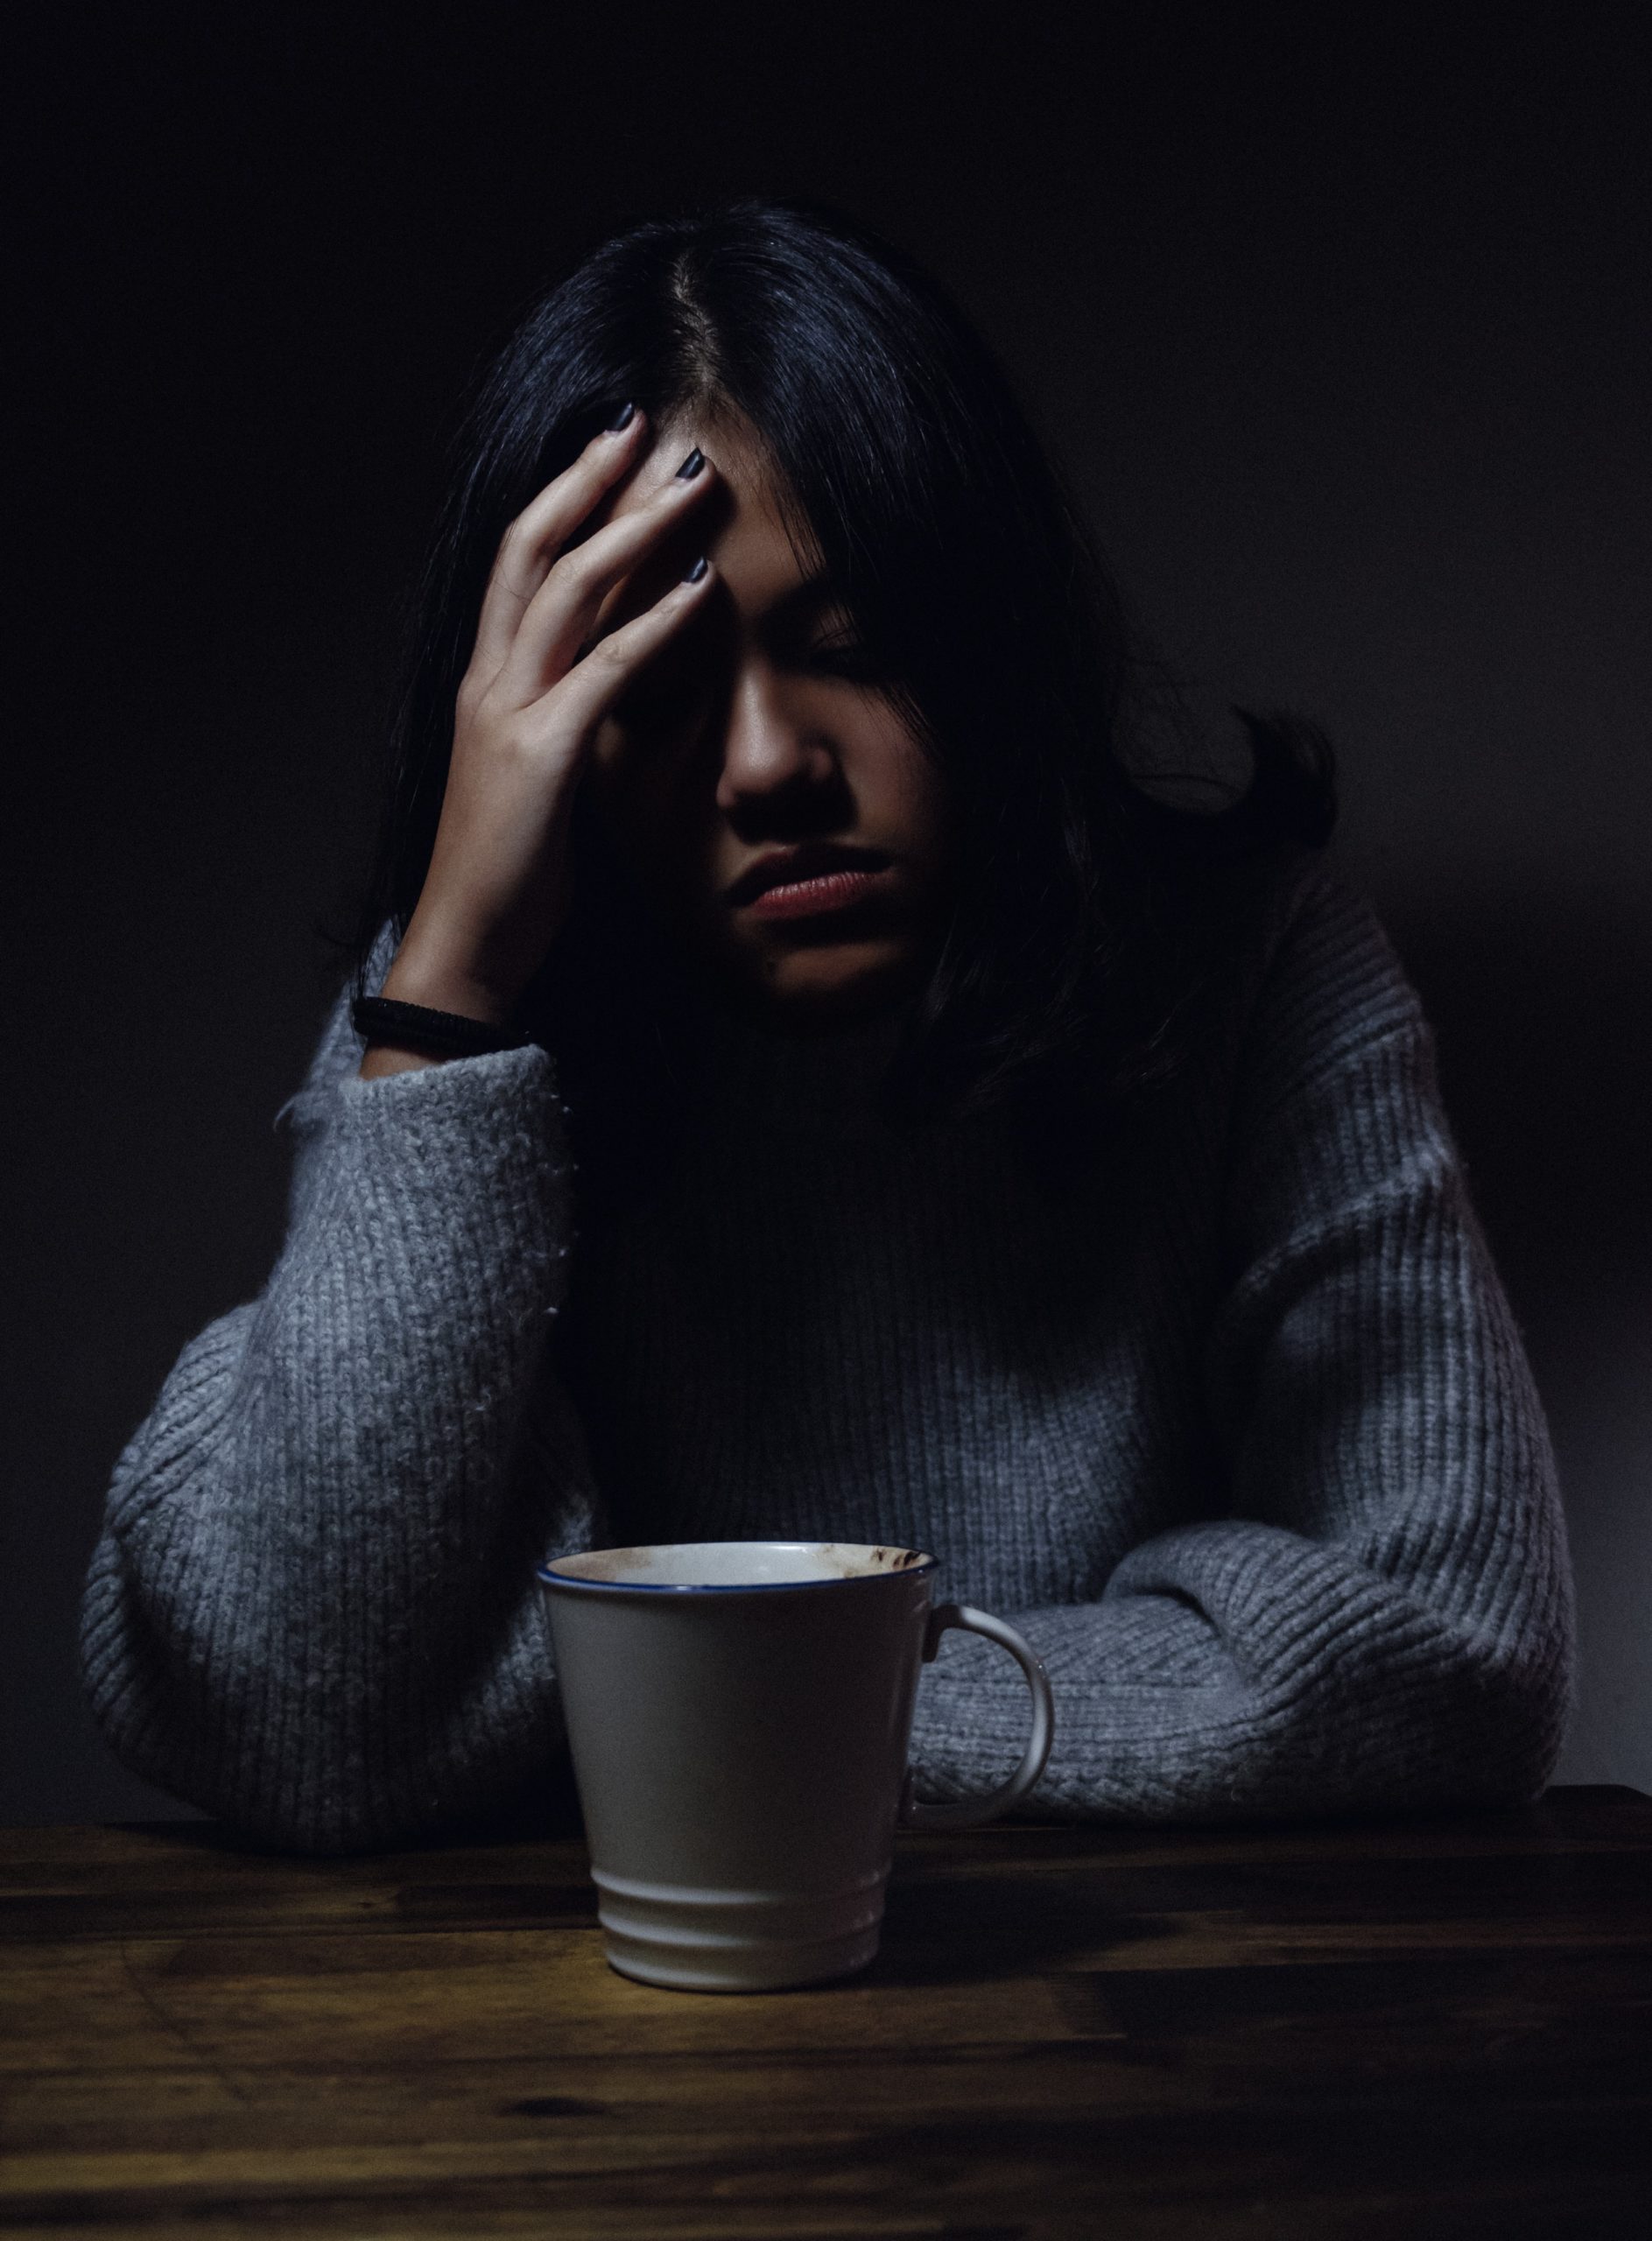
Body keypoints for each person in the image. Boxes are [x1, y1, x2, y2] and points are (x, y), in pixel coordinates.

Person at [80, 197, 1575, 1853]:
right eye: (648, 686)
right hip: (567, 2063)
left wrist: (716, 1716)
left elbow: (1459, 1646)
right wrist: (443, 999)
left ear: (991, 638)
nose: (770, 764)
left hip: (1150, 2041)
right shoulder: (473, 1021)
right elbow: (297, 1709)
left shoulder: (1253, 965)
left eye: (853, 648)